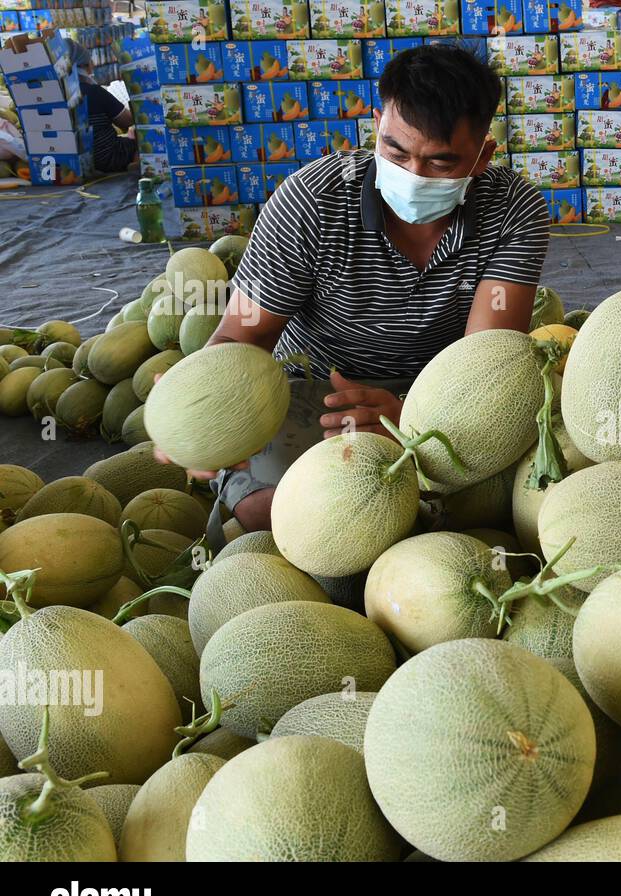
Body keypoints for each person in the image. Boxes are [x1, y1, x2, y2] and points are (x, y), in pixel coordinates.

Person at [157, 45, 550, 540]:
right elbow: (243, 337)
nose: (414, 176)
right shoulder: (311, 200)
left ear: (482, 156)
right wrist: (198, 409)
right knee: (274, 513)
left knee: (489, 515)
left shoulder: (514, 210)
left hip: (444, 403)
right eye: (397, 151)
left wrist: (408, 415)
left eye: (440, 163)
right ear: (375, 125)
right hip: (316, 389)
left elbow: (484, 367)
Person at [68, 41, 137, 173]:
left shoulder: (56, 94)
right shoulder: (94, 91)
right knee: (139, 141)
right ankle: (137, 165)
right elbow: (127, 121)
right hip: (106, 159)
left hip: (71, 166)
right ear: (86, 65)